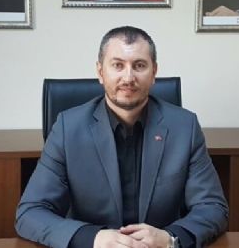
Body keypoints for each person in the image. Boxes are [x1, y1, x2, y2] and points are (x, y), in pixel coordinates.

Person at [16, 26, 228, 248]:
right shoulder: (67, 129)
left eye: (139, 65)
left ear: (154, 72)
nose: (128, 77)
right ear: (100, 72)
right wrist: (92, 238)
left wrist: (171, 238)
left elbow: (213, 207)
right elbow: (30, 213)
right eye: (118, 65)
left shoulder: (184, 127)